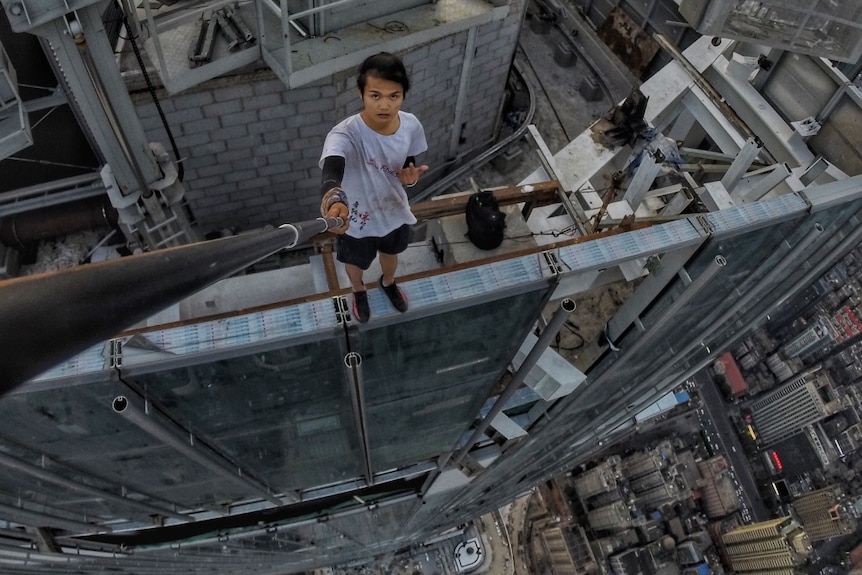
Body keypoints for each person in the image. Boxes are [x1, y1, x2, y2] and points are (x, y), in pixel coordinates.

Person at [319, 52, 429, 323]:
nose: (385, 105)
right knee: (355, 263)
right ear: (361, 94)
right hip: (355, 218)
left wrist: (410, 179)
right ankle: (358, 291)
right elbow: (333, 166)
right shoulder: (345, 134)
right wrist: (333, 198)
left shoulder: (411, 125)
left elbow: (408, 163)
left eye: (394, 96)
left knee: (391, 254)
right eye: (375, 95)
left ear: (403, 95)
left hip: (393, 210)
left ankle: (388, 282)